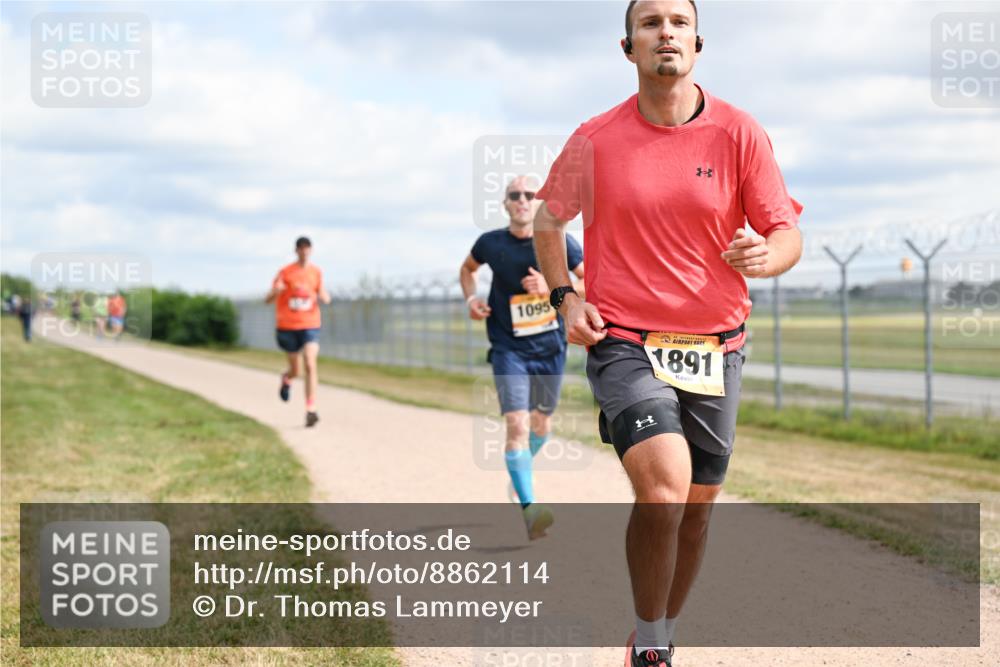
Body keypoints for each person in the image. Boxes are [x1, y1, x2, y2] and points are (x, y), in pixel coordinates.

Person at [533, 1, 803, 664]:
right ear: (627, 47)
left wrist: (768, 254)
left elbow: (785, 231)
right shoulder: (595, 138)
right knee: (664, 489)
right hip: (625, 340)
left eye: (679, 22)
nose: (666, 33)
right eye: (650, 23)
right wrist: (566, 298)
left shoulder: (739, 132)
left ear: (698, 44)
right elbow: (548, 221)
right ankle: (651, 644)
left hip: (717, 347)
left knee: (698, 509)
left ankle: (660, 628)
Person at [460, 175, 585, 540]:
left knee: (540, 425)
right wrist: (471, 299)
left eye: (529, 194)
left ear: (539, 202)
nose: (522, 200)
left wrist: (553, 287)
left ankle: (521, 473)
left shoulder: (560, 242)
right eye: (514, 195)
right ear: (505, 204)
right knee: (517, 424)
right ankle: (530, 508)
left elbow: (591, 279)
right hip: (508, 347)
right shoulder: (490, 243)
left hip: (549, 348)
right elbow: (467, 270)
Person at [266, 236, 331, 427]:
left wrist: (325, 297)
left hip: (310, 324)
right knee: (297, 370)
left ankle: (311, 409)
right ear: (296, 250)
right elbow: (267, 300)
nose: (304, 251)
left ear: (311, 250)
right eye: (300, 248)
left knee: (310, 363)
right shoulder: (285, 272)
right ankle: (287, 378)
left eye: (307, 248)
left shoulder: (316, 272)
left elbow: (322, 293)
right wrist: (276, 292)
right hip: (288, 326)